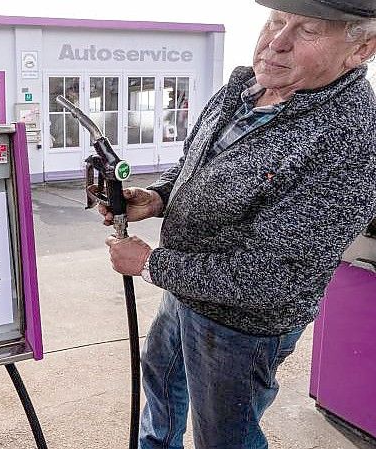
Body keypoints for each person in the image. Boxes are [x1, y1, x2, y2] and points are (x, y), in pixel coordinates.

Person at [98, 1, 376, 448]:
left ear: (361, 49)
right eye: (276, 21)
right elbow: (197, 164)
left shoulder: (349, 138)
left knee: (224, 436)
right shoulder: (248, 87)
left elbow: (271, 277)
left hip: (240, 327)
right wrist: (156, 199)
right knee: (162, 382)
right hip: (186, 287)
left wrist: (150, 264)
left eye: (307, 31)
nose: (276, 43)